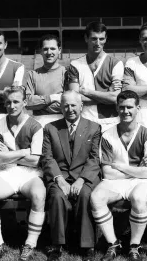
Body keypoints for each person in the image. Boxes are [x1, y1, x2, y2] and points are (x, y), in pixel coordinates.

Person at [0, 86, 46, 261]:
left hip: (30, 173)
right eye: (8, 102)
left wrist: (8, 153)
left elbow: (35, 161)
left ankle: (30, 244)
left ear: (24, 102)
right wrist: (24, 151)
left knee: (39, 195)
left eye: (16, 101)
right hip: (8, 172)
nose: (12, 105)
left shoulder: (35, 126)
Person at [90, 90, 147, 261]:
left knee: (140, 199)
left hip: (139, 181)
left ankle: (134, 246)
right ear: (117, 108)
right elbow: (107, 173)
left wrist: (120, 166)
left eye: (130, 107)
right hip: (117, 180)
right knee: (96, 197)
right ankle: (113, 244)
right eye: (122, 107)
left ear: (138, 108)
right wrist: (135, 170)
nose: (125, 111)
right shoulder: (108, 135)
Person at [41, 90, 101, 261]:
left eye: (73, 105)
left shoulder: (94, 127)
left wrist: (82, 180)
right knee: (57, 196)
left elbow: (94, 158)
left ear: (81, 106)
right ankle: (57, 245)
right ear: (60, 107)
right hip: (59, 175)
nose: (70, 109)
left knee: (85, 195)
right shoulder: (51, 128)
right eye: (65, 105)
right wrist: (59, 179)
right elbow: (48, 157)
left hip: (85, 176)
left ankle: (88, 246)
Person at [67, 21, 124, 132]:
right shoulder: (75, 65)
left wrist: (87, 92)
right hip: (84, 120)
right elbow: (74, 98)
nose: (98, 43)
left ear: (106, 39)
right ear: (86, 38)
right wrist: (106, 95)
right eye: (94, 38)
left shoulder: (116, 63)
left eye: (101, 39)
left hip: (111, 121)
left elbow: (115, 98)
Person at [25, 34, 65, 127]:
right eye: (45, 49)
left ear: (59, 50)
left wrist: (39, 103)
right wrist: (52, 98)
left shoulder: (66, 73)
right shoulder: (32, 74)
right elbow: (28, 103)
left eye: (52, 48)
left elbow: (67, 103)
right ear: (40, 51)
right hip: (39, 123)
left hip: (62, 122)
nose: (49, 52)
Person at [123, 22, 147, 129]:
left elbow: (133, 92)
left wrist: (139, 92)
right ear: (140, 40)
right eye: (145, 39)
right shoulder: (131, 63)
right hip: (141, 115)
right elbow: (128, 91)